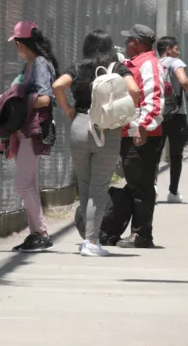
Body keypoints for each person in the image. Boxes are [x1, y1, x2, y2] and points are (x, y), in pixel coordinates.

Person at [53, 30, 141, 257]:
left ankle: (87, 238)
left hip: (80, 125)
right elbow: (134, 90)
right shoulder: (117, 67)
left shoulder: (79, 67)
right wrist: (125, 110)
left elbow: (57, 86)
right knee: (99, 188)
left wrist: (68, 109)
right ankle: (92, 241)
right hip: (106, 129)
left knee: (84, 185)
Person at [99, 24, 165, 249]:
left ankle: (141, 234)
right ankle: (137, 231)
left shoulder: (149, 64)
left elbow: (154, 98)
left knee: (142, 186)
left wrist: (142, 127)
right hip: (133, 132)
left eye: (129, 41)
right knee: (137, 184)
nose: (126, 44)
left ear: (136, 43)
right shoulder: (136, 63)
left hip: (142, 134)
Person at [3, 21, 59, 253]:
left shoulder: (39, 64)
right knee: (29, 184)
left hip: (32, 130)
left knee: (22, 184)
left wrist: (16, 101)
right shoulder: (30, 65)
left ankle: (41, 233)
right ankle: (36, 232)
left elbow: (47, 98)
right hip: (25, 130)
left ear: (20, 44)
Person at [157, 36, 188, 204]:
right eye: (176, 49)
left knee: (155, 153)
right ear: (168, 49)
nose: (178, 52)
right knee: (176, 156)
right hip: (177, 115)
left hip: (157, 114)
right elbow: (183, 81)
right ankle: (173, 192)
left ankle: (152, 186)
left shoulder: (154, 64)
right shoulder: (175, 62)